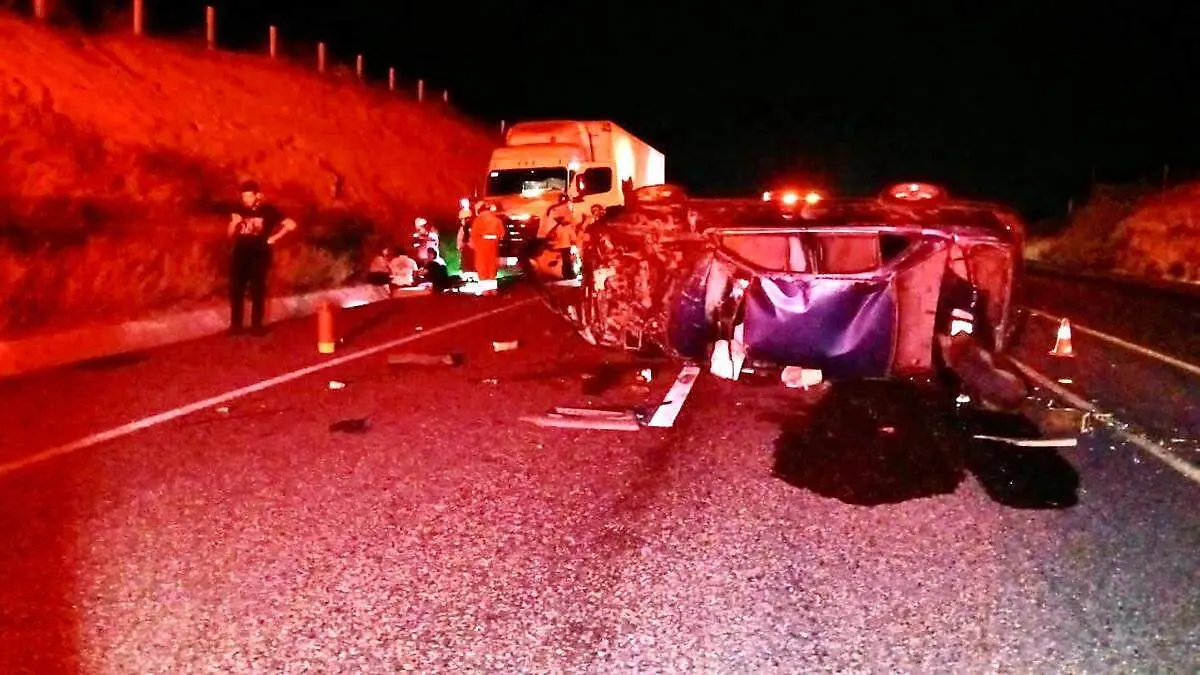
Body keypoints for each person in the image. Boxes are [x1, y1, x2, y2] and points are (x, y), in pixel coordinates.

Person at [227, 180, 297, 335]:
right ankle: (235, 326)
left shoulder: (269, 210)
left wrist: (275, 238)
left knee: (257, 289)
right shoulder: (238, 209)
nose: (246, 200)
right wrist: (233, 223)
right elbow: (230, 234)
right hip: (240, 253)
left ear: (258, 196)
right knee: (236, 289)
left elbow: (291, 225)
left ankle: (256, 326)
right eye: (244, 197)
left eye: (249, 196)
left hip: (260, 255)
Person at [470, 203, 505, 294]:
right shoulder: (495, 219)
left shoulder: (478, 220)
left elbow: (474, 233)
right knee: (491, 265)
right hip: (493, 245)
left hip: (482, 244)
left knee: (482, 265)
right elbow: (502, 233)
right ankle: (493, 289)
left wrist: (475, 244)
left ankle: (485, 290)